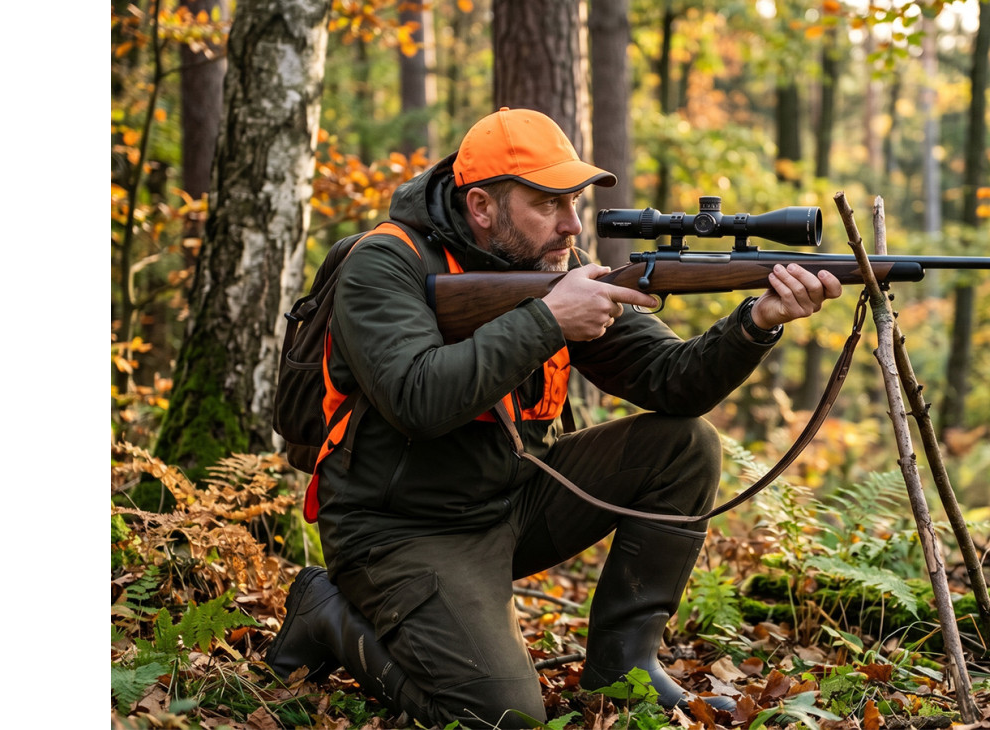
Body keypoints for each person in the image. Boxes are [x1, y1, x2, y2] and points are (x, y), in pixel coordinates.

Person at [265, 107, 843, 728]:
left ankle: (623, 669)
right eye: (547, 203)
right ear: (482, 206)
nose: (572, 224)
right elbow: (416, 400)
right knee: (504, 718)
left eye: (575, 201)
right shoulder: (385, 263)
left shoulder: (553, 265)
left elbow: (671, 383)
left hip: (511, 500)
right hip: (401, 529)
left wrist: (755, 323)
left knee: (684, 445)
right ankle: (328, 612)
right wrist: (548, 321)